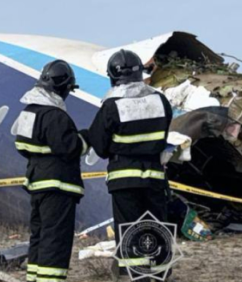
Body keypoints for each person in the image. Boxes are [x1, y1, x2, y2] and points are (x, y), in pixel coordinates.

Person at [83, 49, 173, 276]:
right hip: (154, 177)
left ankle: (138, 276)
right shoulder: (160, 101)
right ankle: (160, 274)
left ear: (113, 76)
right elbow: (164, 136)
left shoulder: (111, 106)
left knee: (130, 231)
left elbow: (100, 146)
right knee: (156, 227)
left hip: (124, 180)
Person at [15, 60, 88, 282]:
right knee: (55, 239)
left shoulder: (28, 112)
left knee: (39, 236)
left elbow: (22, 146)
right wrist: (86, 137)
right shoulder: (56, 116)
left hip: (37, 183)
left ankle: (34, 278)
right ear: (63, 88)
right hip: (57, 187)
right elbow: (70, 148)